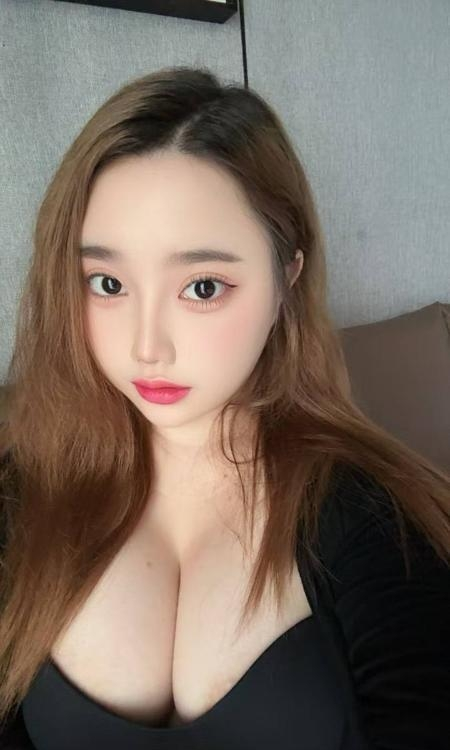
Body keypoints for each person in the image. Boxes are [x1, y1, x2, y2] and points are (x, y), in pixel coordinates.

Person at [0, 66, 449, 749]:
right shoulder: (20, 499)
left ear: (286, 276)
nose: (147, 347)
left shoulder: (376, 524)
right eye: (108, 283)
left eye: (203, 287)